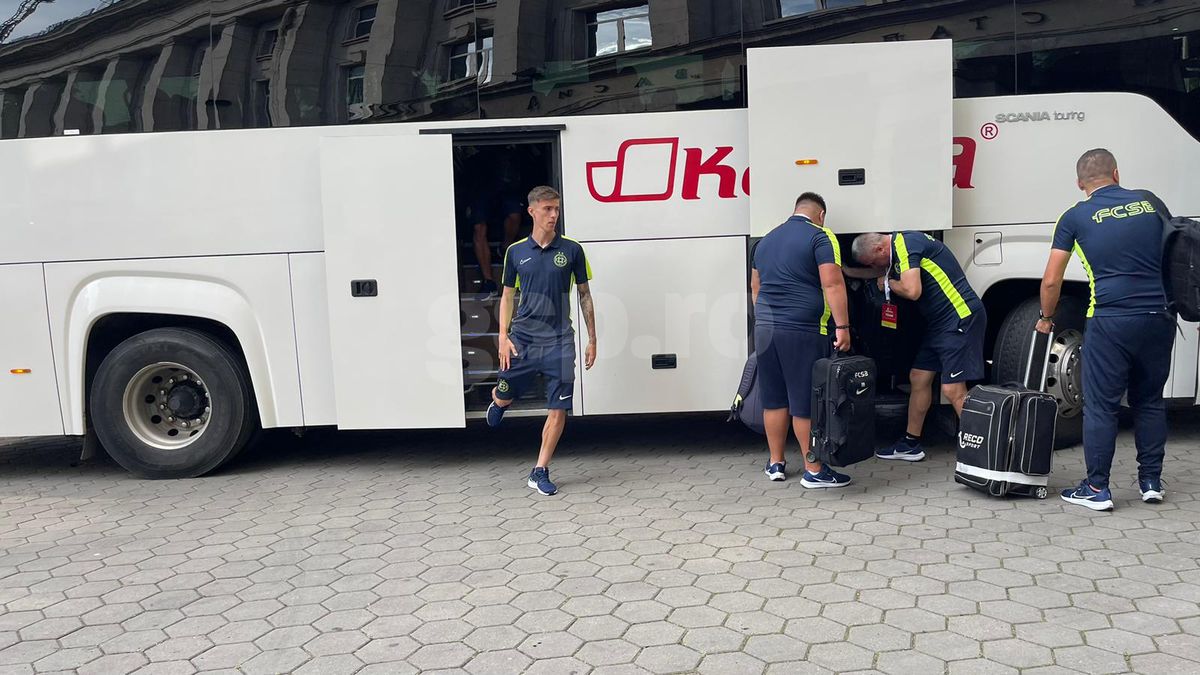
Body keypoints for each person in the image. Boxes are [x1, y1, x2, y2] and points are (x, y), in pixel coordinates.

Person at [1039, 148, 1175, 511]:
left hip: (1110, 319)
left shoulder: (1073, 217)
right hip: (1160, 315)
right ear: (1116, 173)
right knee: (1149, 399)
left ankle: (1097, 488)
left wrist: (1046, 317)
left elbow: (1052, 281)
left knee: (1101, 406)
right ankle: (1151, 482)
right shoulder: (1150, 202)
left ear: (1080, 184)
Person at [486, 185, 597, 496]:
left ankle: (540, 470)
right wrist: (502, 337)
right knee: (507, 391)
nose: (554, 215)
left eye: (557, 209)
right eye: (548, 209)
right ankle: (499, 398)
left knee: (558, 408)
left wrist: (592, 340)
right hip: (522, 337)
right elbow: (507, 296)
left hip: (560, 341)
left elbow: (585, 296)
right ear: (532, 211)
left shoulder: (572, 250)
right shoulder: (516, 252)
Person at [850, 230, 986, 461]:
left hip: (958, 318)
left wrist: (889, 283)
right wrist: (846, 271)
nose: (876, 267)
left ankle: (987, 447)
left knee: (953, 390)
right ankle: (910, 444)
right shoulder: (897, 250)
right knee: (919, 377)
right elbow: (877, 274)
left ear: (879, 249)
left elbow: (913, 291)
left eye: (874, 262)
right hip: (940, 324)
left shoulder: (905, 244)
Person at [751, 192, 853, 487]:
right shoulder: (821, 237)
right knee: (803, 403)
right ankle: (815, 470)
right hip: (804, 329)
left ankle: (775, 463)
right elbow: (832, 282)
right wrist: (843, 327)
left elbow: (756, 289)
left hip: (767, 330)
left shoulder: (764, 241)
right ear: (820, 214)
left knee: (774, 400)